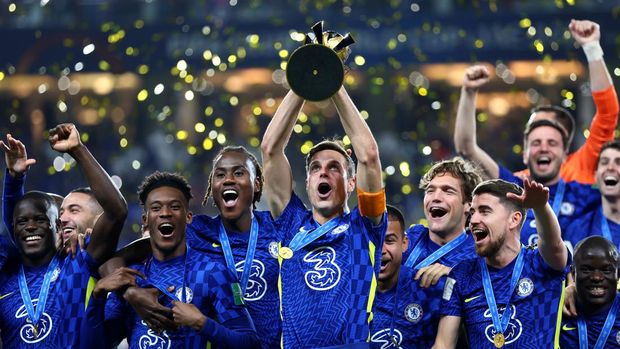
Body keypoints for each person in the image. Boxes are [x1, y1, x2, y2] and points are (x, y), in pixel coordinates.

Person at [261, 86, 386, 348]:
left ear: (352, 183)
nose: (323, 173)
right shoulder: (290, 223)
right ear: (307, 182)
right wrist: (302, 81)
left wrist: (334, 83)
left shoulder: (365, 225)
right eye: (315, 168)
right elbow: (271, 149)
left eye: (334, 168)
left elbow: (369, 156)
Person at [80, 171, 261, 348]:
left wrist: (201, 322)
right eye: (156, 208)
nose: (165, 213)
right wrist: (98, 295)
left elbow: (250, 343)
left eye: (174, 207)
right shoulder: (132, 278)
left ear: (188, 217)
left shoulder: (213, 273)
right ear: (145, 220)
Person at [0, 123, 128, 347]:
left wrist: (77, 149)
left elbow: (117, 212)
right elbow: (20, 224)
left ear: (56, 226)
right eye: (23, 222)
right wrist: (14, 178)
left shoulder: (77, 260)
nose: (31, 227)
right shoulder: (7, 273)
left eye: (41, 220)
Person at [455, 19, 618, 186]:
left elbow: (608, 112)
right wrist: (468, 92)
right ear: (525, 152)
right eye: (535, 138)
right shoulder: (516, 184)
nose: (542, 145)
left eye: (550, 139)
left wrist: (592, 48)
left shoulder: (582, 165)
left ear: (564, 145)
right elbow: (466, 148)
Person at [433, 179, 570, 348]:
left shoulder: (540, 263)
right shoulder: (462, 275)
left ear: (514, 219)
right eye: (472, 213)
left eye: (484, 211)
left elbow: (554, 244)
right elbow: (443, 345)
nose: (473, 220)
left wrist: (540, 207)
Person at [370, 158, 482, 349]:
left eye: (448, 191)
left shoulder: (478, 254)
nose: (435, 197)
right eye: (430, 190)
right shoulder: (410, 238)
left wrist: (456, 275)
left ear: (468, 206)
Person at [560, 236, 620, 348]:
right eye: (587, 269)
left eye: (606, 270)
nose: (596, 277)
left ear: (618, 274)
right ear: (573, 274)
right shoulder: (556, 311)